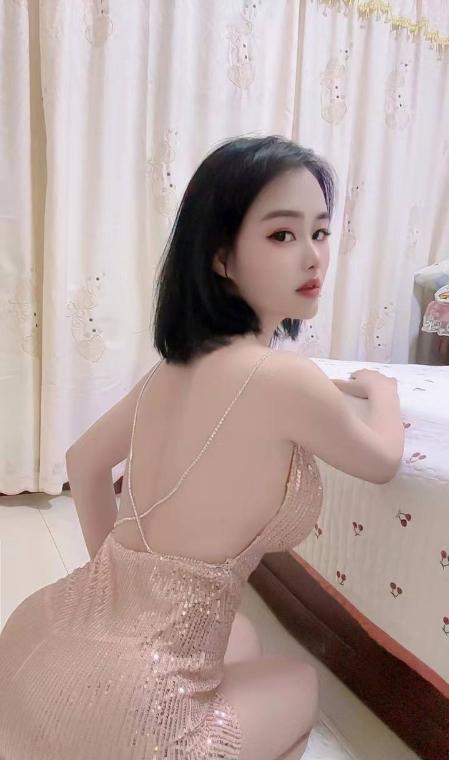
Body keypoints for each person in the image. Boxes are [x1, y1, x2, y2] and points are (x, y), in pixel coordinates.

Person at [0, 135, 403, 760]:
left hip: (42, 644)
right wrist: (382, 391)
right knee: (300, 683)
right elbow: (381, 461)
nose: (313, 256)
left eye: (321, 232)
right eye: (282, 234)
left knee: (242, 638)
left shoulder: (173, 367)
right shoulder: (285, 378)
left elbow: (84, 461)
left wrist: (115, 593)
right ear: (221, 257)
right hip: (140, 708)